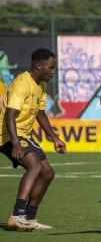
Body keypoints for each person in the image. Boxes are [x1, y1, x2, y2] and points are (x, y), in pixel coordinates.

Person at [0, 48, 66, 231]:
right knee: (35, 166)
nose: (53, 71)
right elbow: (9, 115)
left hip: (22, 135)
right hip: (7, 135)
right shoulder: (22, 83)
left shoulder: (41, 85)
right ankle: (16, 215)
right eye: (51, 68)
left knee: (47, 173)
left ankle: (28, 217)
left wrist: (55, 139)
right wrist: (15, 142)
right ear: (39, 66)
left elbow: (40, 113)